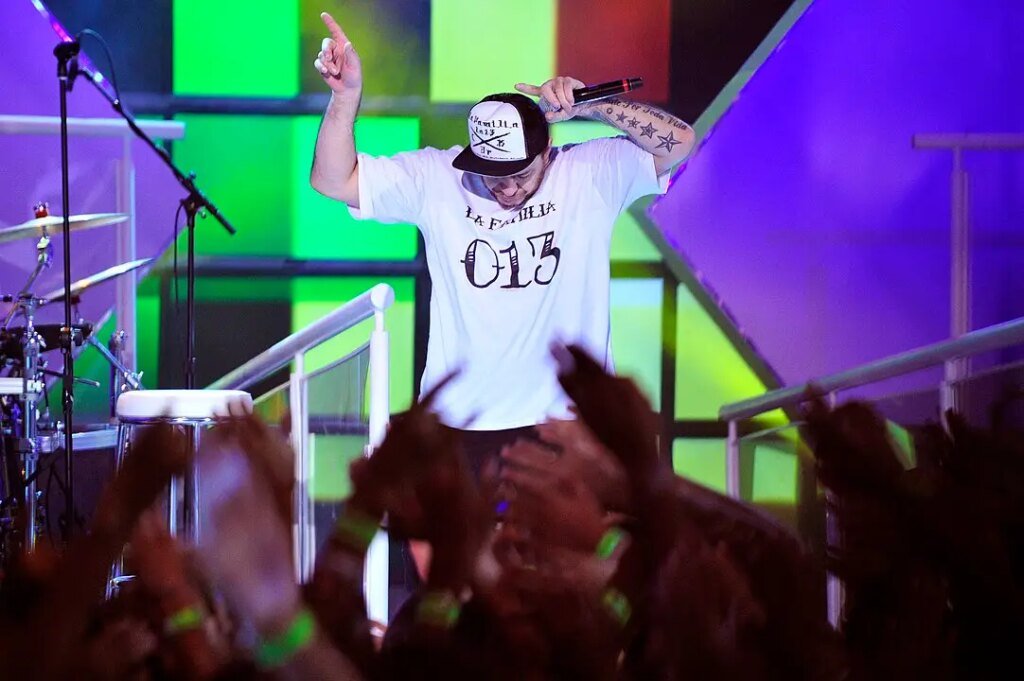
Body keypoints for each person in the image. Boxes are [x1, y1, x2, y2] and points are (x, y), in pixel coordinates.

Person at [309, 11, 696, 476]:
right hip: (459, 428)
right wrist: (345, 97)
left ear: (546, 151)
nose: (507, 189)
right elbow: (332, 180)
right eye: (494, 177)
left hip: (565, 423)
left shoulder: (588, 171)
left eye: (521, 175)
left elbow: (680, 142)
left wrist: (592, 104)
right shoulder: (438, 178)